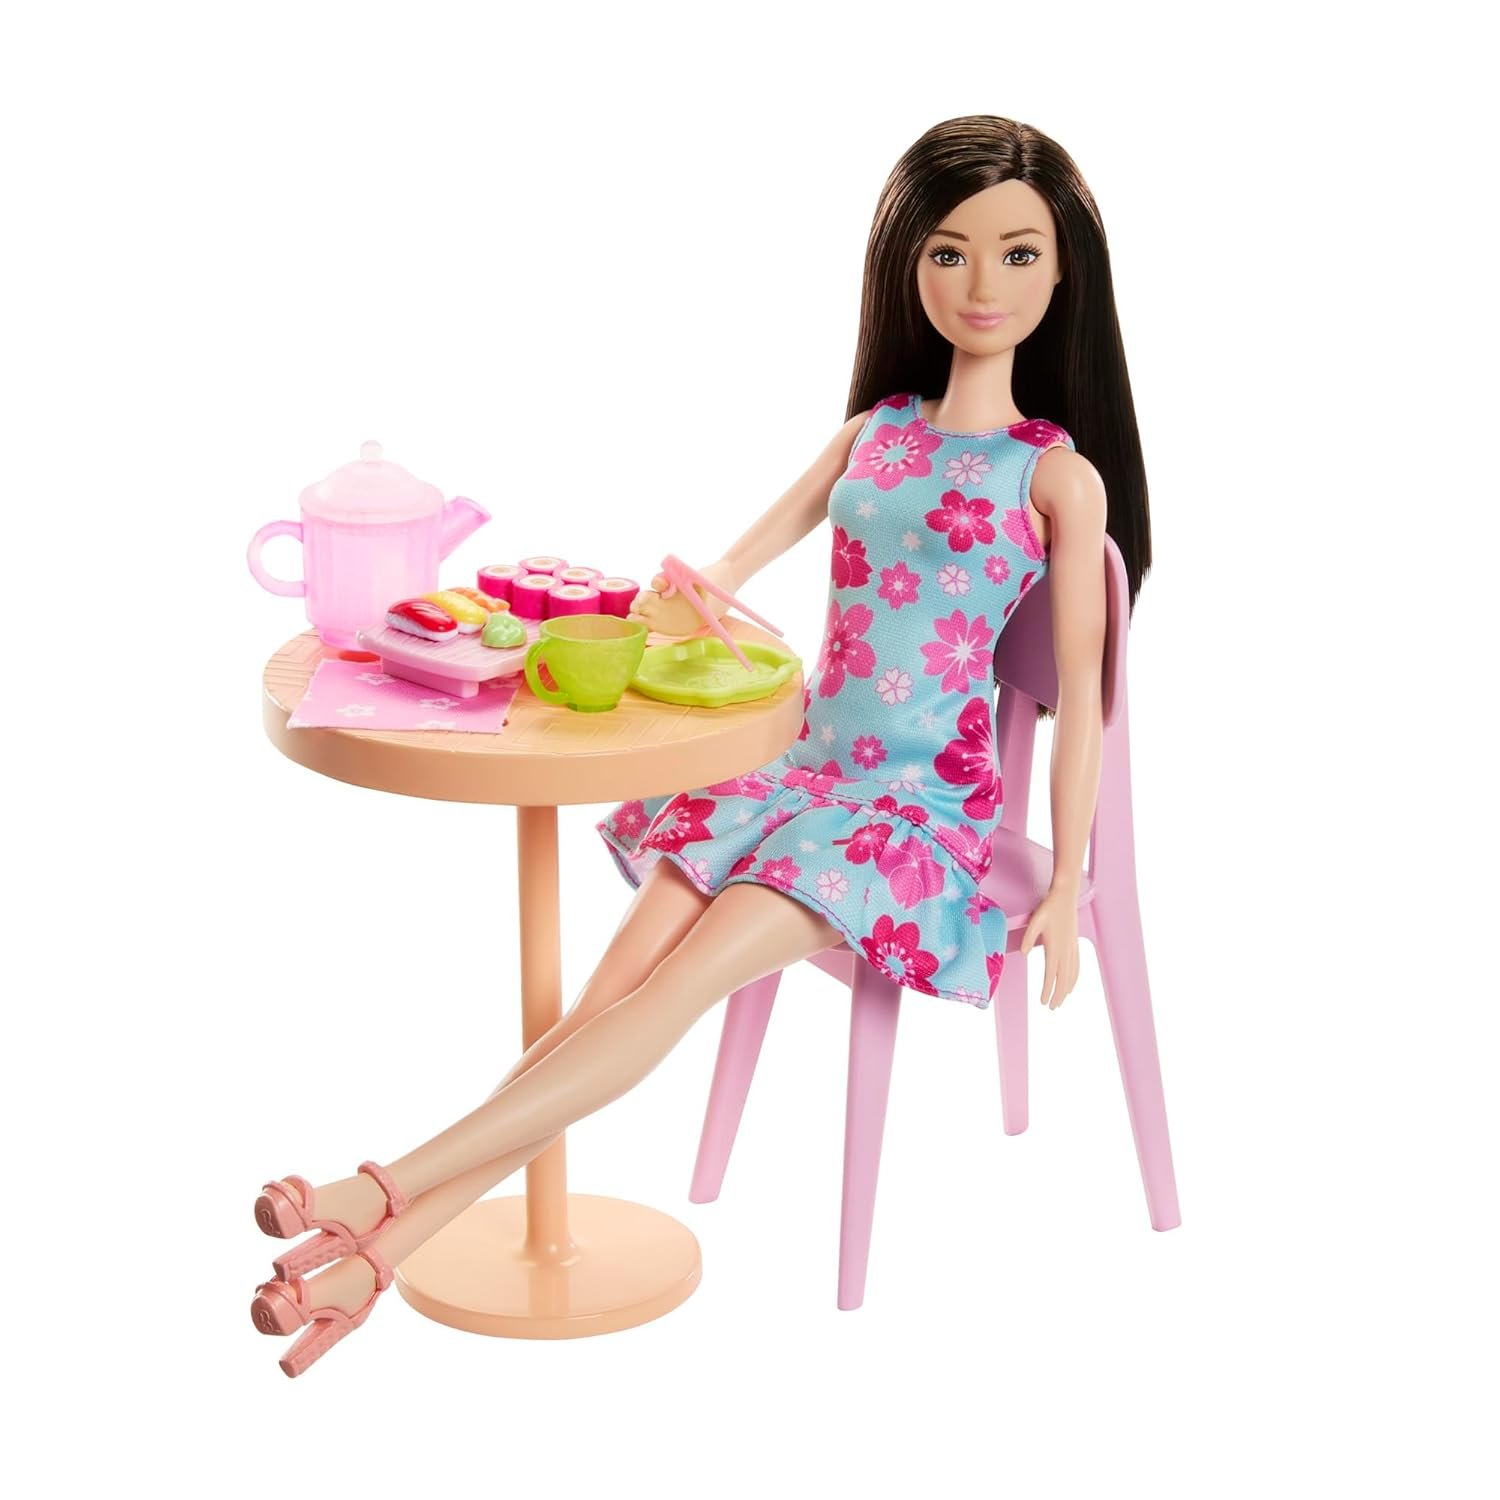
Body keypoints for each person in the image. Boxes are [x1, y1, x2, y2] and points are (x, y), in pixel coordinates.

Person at [249, 113, 1152, 1376]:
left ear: (1063, 277)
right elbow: (732, 564)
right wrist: (674, 598)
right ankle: (375, 1263)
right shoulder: (874, 433)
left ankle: (375, 1192)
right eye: (949, 253)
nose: (982, 283)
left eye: (1017, 254)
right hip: (791, 774)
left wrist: (1065, 884)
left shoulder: (1056, 478)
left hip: (907, 820)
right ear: (909, 267)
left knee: (666, 999)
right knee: (604, 999)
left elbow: (1088, 697)